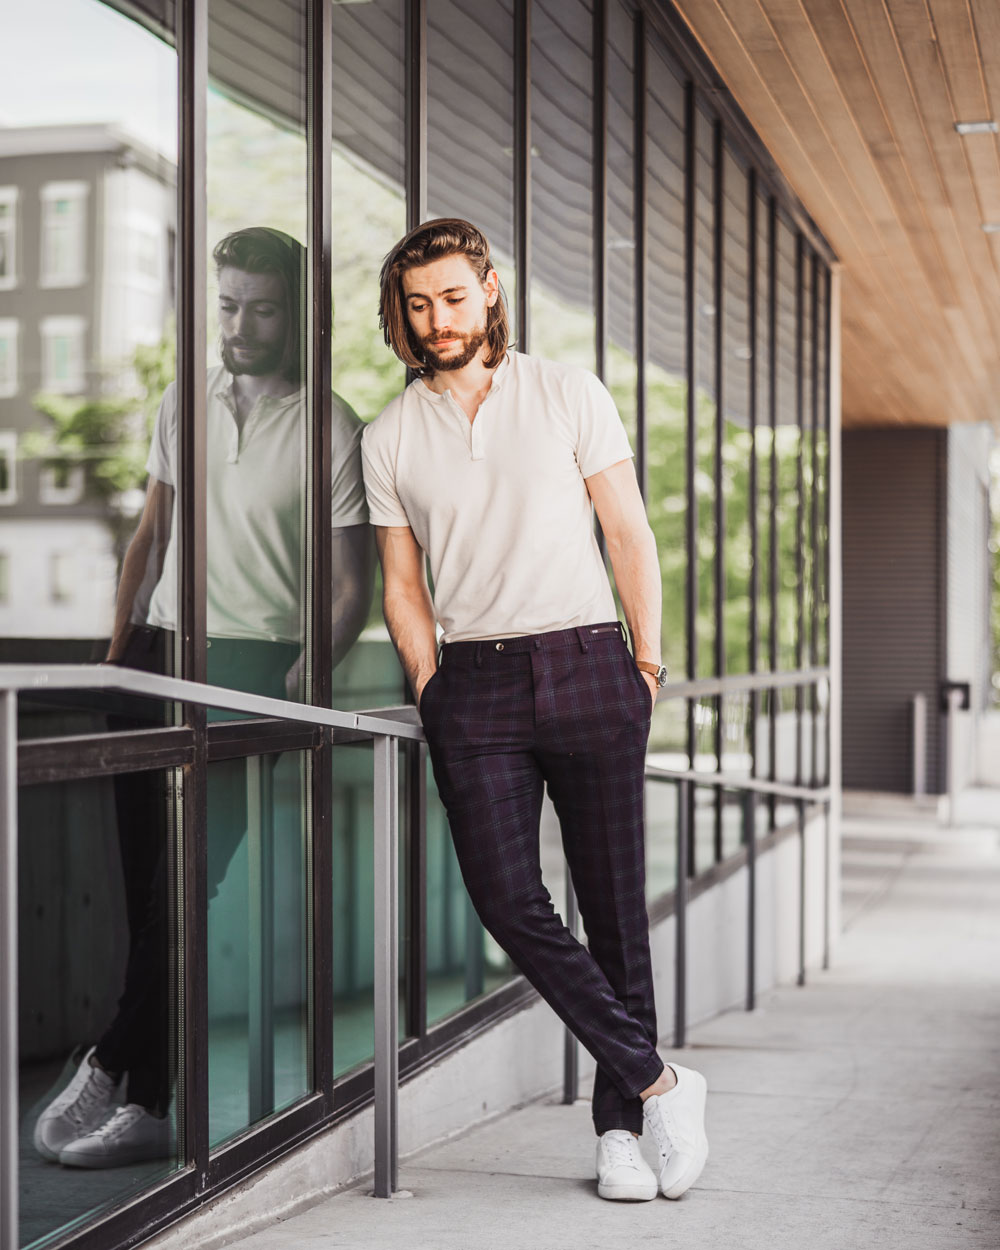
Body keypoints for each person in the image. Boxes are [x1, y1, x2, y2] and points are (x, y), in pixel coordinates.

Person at [362, 218, 708, 1203]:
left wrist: (646, 662)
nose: (438, 320)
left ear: (491, 292)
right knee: (507, 898)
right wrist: (431, 684)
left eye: (453, 298)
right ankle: (660, 1080)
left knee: (613, 911)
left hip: (589, 662)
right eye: (419, 304)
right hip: (472, 686)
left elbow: (627, 529)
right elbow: (401, 583)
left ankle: (620, 1133)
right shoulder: (388, 435)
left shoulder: (566, 391)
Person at [33, 226, 373, 1168]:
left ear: (294, 313)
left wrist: (308, 677)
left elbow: (354, 584)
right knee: (151, 890)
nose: (241, 323)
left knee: (187, 887)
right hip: (156, 659)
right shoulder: (184, 400)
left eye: (262, 307)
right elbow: (150, 537)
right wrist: (116, 655)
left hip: (249, 667)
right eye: (228, 303)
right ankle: (146, 1099)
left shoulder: (330, 425)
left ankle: (116, 1065)